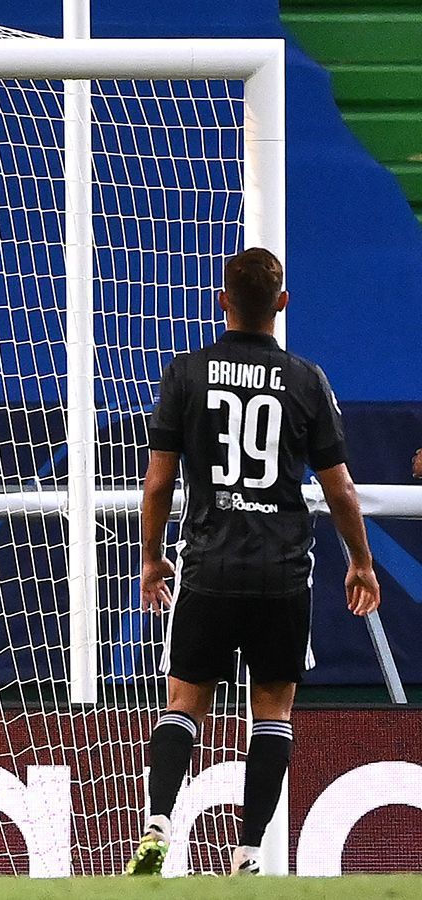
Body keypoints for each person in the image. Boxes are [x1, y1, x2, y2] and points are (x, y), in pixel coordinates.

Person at [127, 247, 381, 876]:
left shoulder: (185, 375)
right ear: (282, 304)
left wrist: (152, 557)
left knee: (184, 702)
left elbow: (158, 484)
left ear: (222, 302)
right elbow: (341, 488)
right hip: (282, 571)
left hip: (209, 566)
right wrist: (362, 562)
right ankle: (247, 855)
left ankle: (158, 823)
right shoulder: (306, 378)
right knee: (272, 708)